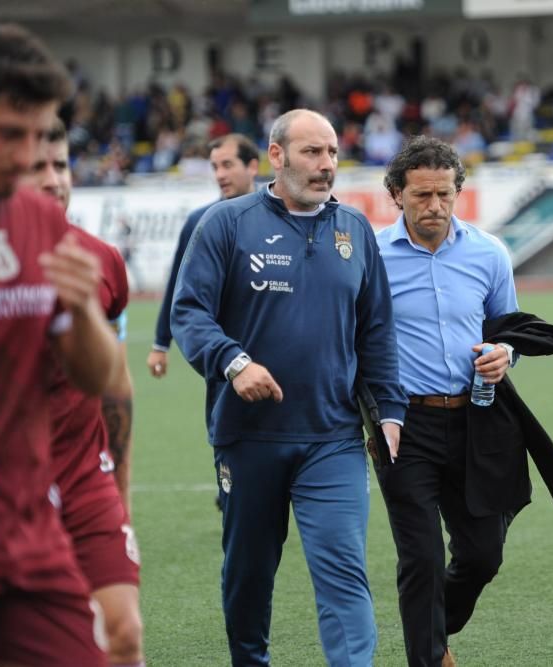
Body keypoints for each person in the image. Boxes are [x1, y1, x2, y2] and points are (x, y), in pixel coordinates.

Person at [170, 108, 406, 667]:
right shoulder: (226, 224)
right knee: (248, 573)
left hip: (334, 436)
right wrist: (232, 361)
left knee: (345, 570)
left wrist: (390, 410)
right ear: (276, 157)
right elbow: (189, 312)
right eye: (312, 152)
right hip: (249, 437)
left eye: (332, 152)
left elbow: (377, 331)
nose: (327, 165)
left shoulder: (354, 231)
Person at [0, 23, 119, 666]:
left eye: (39, 137)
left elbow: (94, 376)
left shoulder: (38, 218)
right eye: (8, 134)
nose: (24, 158)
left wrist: (82, 311)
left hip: (32, 540)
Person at [375, 136, 553, 666]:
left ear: (458, 191)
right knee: (419, 557)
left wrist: (505, 352)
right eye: (422, 195)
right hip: (404, 426)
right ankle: (427, 656)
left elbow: (508, 328)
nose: (435, 206)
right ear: (397, 194)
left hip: (477, 422)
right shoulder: (372, 258)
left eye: (445, 194)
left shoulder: (489, 253)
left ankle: (433, 634)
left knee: (483, 555)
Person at [18, 118, 145, 666]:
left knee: (123, 634)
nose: (53, 180)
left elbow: (115, 383)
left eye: (60, 165)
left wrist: (121, 489)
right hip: (1, 495)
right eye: (35, 169)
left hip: (84, 484)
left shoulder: (104, 261)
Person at [147, 133, 259, 378]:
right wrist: (160, 343)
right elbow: (178, 283)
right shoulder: (201, 221)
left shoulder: (278, 214)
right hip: (224, 354)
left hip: (271, 346)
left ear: (252, 166)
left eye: (227, 165)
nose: (219, 175)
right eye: (215, 167)